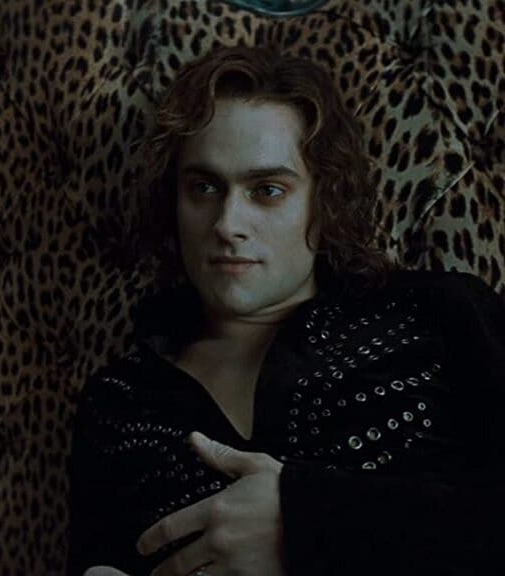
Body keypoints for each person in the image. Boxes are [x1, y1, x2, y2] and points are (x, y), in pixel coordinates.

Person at [65, 44, 505, 576]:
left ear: (325, 199)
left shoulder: (438, 314)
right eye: (203, 187)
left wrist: (309, 521)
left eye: (268, 190)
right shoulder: (119, 401)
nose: (228, 223)